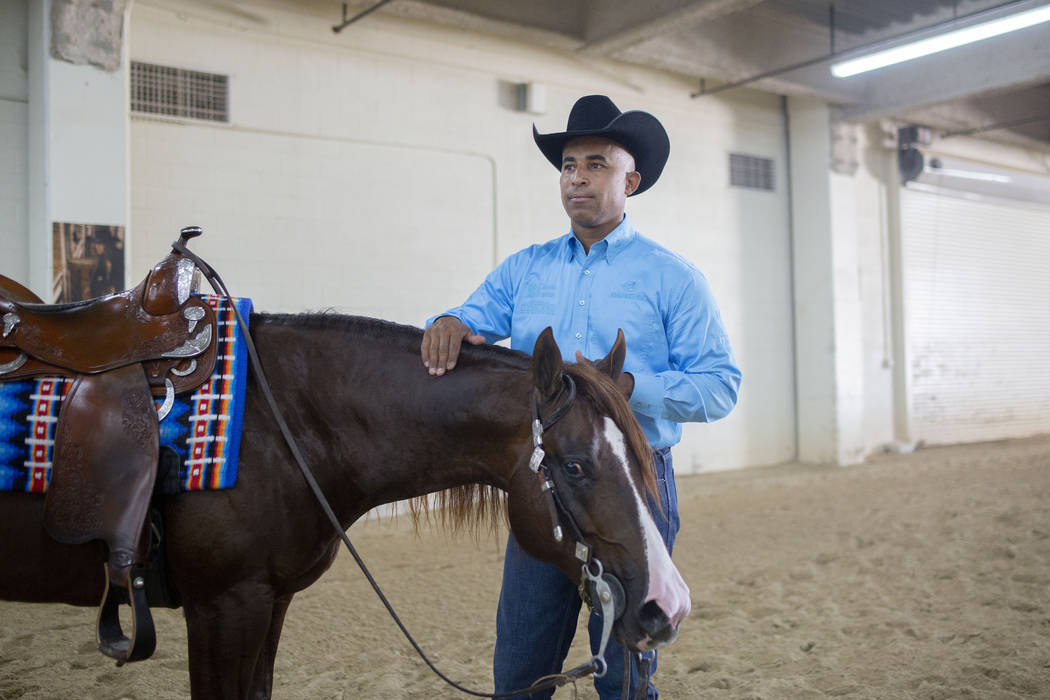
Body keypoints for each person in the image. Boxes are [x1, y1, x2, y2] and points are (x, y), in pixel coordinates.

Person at [420, 94, 741, 699]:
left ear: (631, 180)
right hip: (544, 487)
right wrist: (449, 323)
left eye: (597, 164)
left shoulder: (674, 278)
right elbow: (470, 318)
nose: (578, 178)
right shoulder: (524, 270)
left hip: (632, 484)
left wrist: (632, 388)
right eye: (569, 166)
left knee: (623, 672)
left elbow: (720, 386)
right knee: (520, 669)